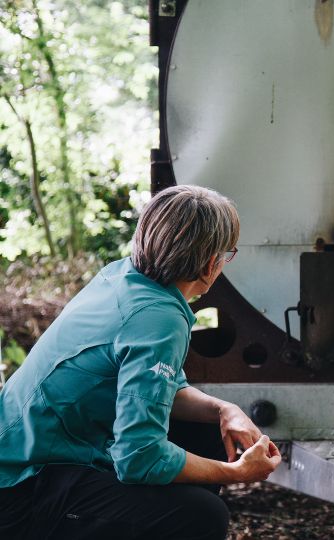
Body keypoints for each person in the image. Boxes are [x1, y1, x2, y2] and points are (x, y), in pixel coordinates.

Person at [0, 185, 281, 539]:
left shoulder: (123, 277)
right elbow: (139, 457)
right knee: (203, 516)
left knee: (207, 431)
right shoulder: (159, 319)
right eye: (228, 254)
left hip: (38, 454)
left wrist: (223, 410)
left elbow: (159, 391)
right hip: (24, 486)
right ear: (211, 264)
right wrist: (237, 472)